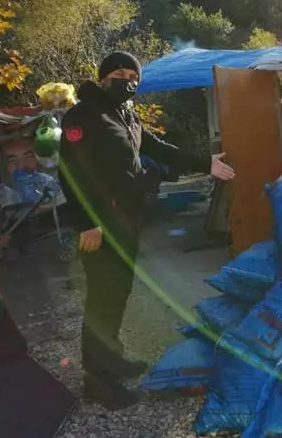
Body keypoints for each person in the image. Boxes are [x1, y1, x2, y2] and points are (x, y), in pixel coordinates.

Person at [58, 51, 235, 410]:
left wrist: (205, 162)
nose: (128, 80)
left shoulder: (126, 114)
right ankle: (98, 380)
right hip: (100, 224)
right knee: (102, 300)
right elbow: (69, 172)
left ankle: (113, 358)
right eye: (120, 73)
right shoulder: (83, 116)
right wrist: (86, 222)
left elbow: (159, 149)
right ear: (104, 77)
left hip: (127, 219)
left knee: (118, 293)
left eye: (132, 74)